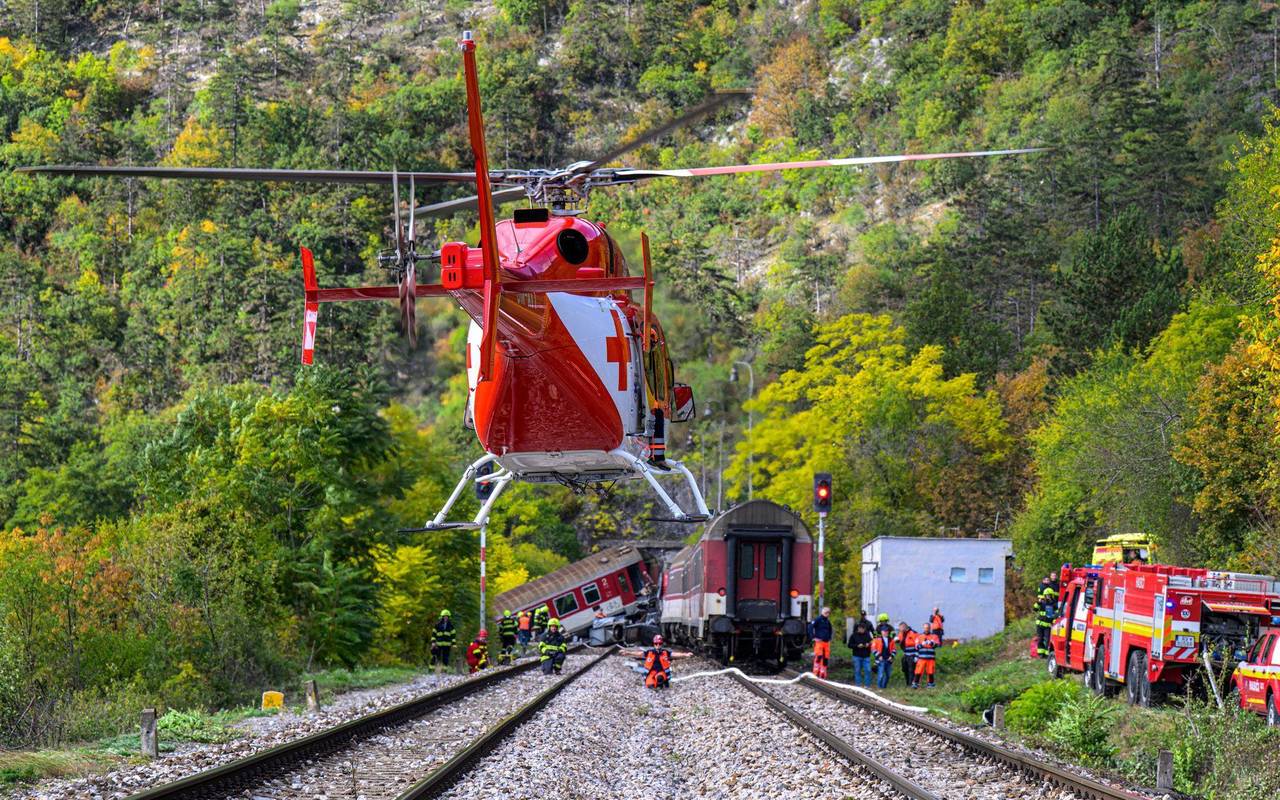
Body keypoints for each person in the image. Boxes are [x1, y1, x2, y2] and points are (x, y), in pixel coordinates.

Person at [809, 606, 834, 679]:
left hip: (826, 642)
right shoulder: (818, 619)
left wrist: (829, 638)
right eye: (826, 612)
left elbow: (830, 630)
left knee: (826, 658)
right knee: (818, 657)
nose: (827, 614)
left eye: (828, 612)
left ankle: (823, 674)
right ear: (822, 612)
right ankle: (815, 673)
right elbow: (810, 627)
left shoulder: (827, 621)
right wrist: (813, 637)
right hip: (819, 641)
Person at [846, 619, 872, 687]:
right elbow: (849, 645)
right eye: (861, 628)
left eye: (863, 629)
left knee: (868, 670)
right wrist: (857, 646)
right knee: (857, 671)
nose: (862, 630)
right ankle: (858, 685)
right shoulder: (854, 635)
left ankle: (867, 685)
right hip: (857, 656)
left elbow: (871, 642)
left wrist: (868, 644)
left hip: (866, 655)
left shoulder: (867, 634)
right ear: (858, 628)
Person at [914, 622, 940, 688]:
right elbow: (916, 647)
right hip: (921, 658)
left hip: (931, 658)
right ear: (923, 628)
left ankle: (930, 684)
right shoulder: (919, 637)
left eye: (928, 628)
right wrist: (922, 645)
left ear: (930, 628)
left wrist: (931, 643)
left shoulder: (934, 636)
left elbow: (937, 645)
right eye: (925, 628)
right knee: (918, 671)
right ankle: (916, 683)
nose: (926, 629)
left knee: (930, 671)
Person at [430, 609, 456, 674]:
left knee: (445, 658)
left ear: (449, 617)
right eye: (444, 616)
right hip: (438, 645)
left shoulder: (451, 626)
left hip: (447, 645)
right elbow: (433, 635)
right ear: (442, 617)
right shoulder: (437, 625)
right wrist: (433, 642)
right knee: (435, 657)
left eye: (447, 616)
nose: (445, 618)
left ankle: (444, 671)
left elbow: (453, 637)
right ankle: (431, 670)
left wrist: (454, 645)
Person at [1035, 587, 1057, 658]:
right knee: (1040, 639)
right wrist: (1038, 602)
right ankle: (1041, 654)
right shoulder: (1042, 602)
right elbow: (1035, 609)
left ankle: (1047, 654)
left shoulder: (1054, 604)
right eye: (1046, 595)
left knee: (1048, 640)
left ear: (1052, 595)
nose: (1048, 596)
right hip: (1040, 624)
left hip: (1048, 625)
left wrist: (1054, 620)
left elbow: (1056, 614)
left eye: (1049, 595)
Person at [896, 622, 918, 688]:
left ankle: (911, 684)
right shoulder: (901, 633)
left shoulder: (913, 633)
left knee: (911, 670)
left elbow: (918, 645)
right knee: (904, 669)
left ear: (904, 627)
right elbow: (898, 639)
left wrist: (917, 655)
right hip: (906, 654)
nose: (900, 630)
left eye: (900, 628)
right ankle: (908, 683)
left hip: (912, 654)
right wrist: (896, 640)